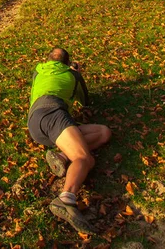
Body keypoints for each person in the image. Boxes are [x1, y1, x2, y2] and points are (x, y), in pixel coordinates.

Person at [28, 48, 112, 233]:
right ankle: (66, 199)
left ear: (47, 59)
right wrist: (77, 75)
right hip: (54, 114)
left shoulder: (38, 70)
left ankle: (62, 156)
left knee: (103, 132)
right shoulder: (72, 75)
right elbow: (85, 101)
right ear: (68, 63)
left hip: (35, 123)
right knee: (85, 158)